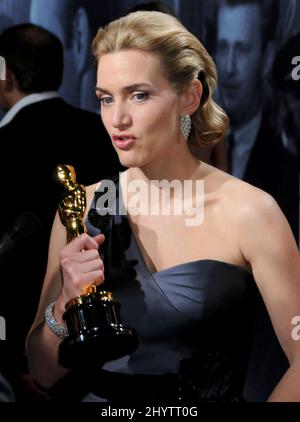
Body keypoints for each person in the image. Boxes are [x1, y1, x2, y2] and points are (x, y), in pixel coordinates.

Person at [26, 11, 300, 402]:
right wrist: (65, 301)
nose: (117, 119)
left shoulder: (250, 212)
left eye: (139, 95)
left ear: (190, 96)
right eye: (106, 98)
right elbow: (42, 371)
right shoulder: (81, 207)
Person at [0, 23, 121, 399]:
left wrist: (15, 360)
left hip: (23, 363)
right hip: (97, 350)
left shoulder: (5, 143)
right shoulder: (101, 132)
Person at [215, 0, 298, 243]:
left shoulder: (288, 165)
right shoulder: (185, 148)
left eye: (241, 50)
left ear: (267, 57)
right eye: (222, 47)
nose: (229, 68)